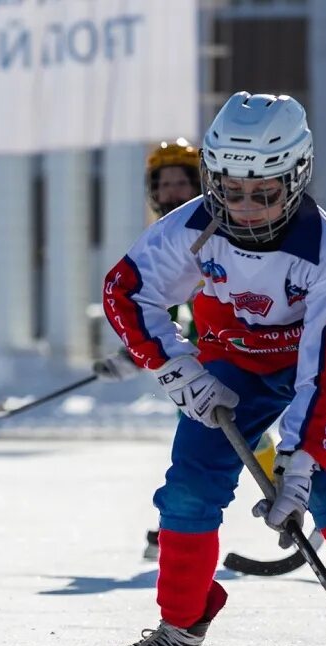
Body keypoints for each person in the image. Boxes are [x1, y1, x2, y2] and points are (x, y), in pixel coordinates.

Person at [91, 92, 326, 646]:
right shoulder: (192, 226)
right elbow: (126, 292)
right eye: (229, 190)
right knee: (190, 487)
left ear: (296, 179)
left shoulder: (323, 253)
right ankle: (179, 629)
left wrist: (300, 460)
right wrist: (174, 366)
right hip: (235, 355)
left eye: (264, 194)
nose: (244, 209)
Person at [93, 138, 278, 560]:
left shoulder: (212, 227)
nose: (173, 192)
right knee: (211, 432)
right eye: (165, 184)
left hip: (233, 350)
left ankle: (281, 494)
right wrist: (134, 355)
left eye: (182, 182)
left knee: (230, 429)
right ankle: (182, 521)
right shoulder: (165, 235)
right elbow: (155, 308)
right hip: (194, 358)